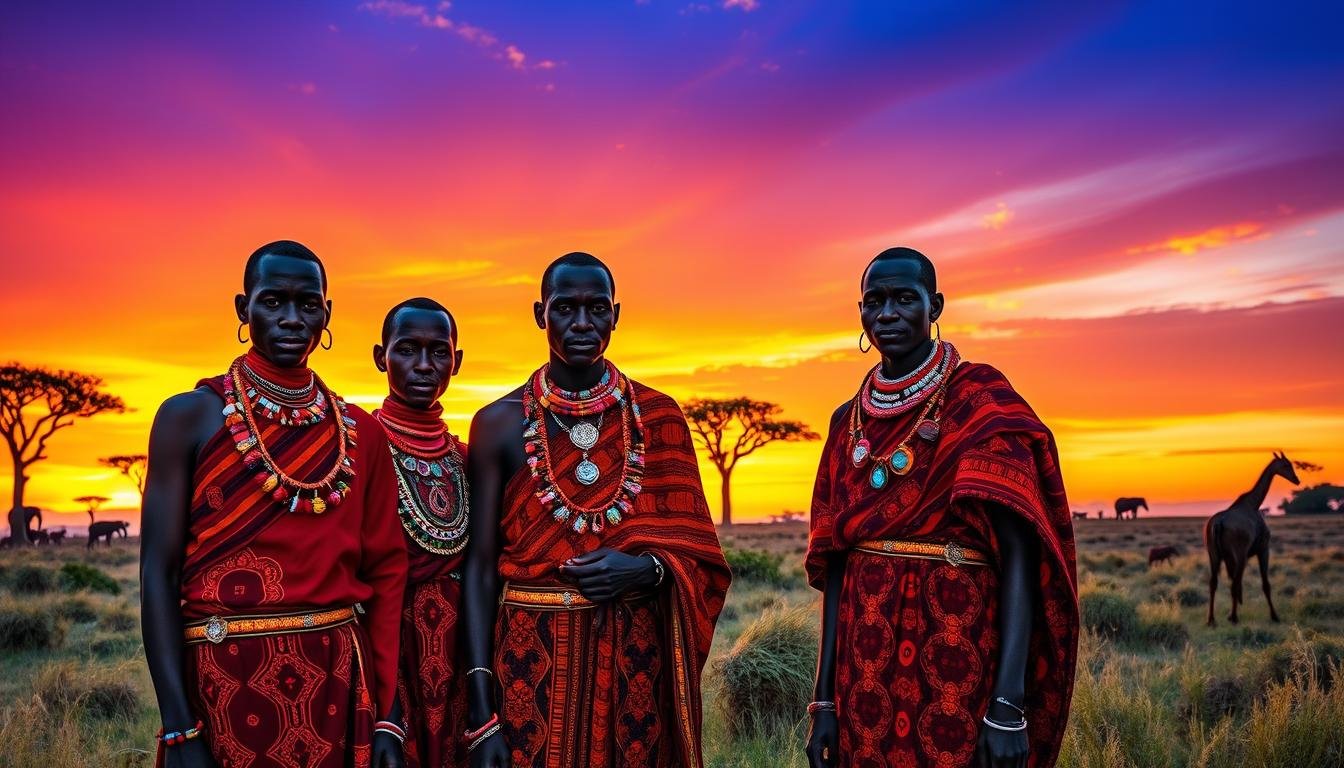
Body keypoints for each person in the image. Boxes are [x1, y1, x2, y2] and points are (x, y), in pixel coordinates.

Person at [805, 247, 1079, 768]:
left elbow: (1020, 554)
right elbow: (837, 564)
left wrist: (1007, 705)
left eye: (905, 299)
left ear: (936, 305)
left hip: (958, 655)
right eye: (874, 301)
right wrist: (823, 702)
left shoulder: (979, 401)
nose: (887, 314)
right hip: (863, 666)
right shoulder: (846, 423)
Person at [140, 240, 408, 768]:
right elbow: (157, 574)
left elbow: (386, 576)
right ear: (244, 309)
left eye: (308, 304)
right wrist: (178, 729)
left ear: (327, 314)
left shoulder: (363, 433)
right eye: (273, 301)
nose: (291, 318)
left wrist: (387, 716)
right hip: (221, 688)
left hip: (337, 680)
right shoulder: (188, 418)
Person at [461, 252, 731, 768]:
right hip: (528, 666)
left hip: (635, 668)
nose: (581, 323)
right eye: (565, 308)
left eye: (596, 308)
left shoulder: (659, 417)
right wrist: (481, 708)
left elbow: (701, 557)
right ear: (541, 314)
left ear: (616, 315)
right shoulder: (497, 422)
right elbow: (478, 567)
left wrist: (646, 570)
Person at [372, 298, 469, 767]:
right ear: (380, 357)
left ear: (457, 360)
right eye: (407, 350)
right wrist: (384, 712)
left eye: (439, 352)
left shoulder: (467, 458)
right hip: (386, 658)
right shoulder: (356, 449)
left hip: (461, 661)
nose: (424, 365)